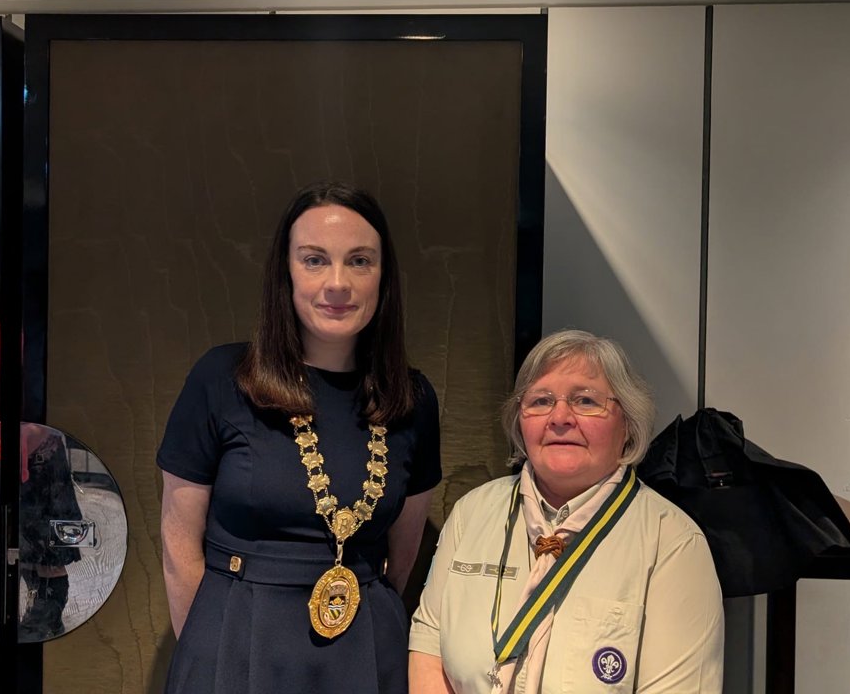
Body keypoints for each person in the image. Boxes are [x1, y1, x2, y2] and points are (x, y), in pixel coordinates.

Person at [157, 181, 442, 693]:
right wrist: (210, 647)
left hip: (366, 644)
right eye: (314, 260)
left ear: (384, 277)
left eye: (359, 261)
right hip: (235, 637)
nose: (338, 283)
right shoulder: (223, 378)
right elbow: (179, 544)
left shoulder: (412, 398)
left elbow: (402, 555)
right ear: (285, 272)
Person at [409, 330, 724, 693]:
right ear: (519, 421)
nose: (559, 417)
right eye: (540, 401)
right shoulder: (471, 513)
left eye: (586, 401)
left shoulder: (673, 543)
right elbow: (429, 646)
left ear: (628, 423)